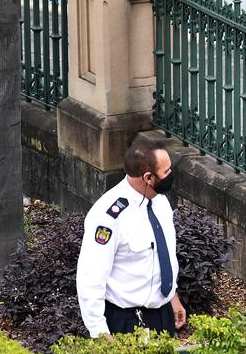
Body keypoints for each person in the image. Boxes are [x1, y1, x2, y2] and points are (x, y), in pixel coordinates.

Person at [76, 138, 186, 338]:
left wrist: (173, 297)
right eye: (166, 171)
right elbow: (91, 278)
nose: (171, 175)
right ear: (148, 178)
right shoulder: (108, 217)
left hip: (162, 317)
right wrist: (100, 333)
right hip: (127, 322)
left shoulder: (160, 202)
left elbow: (164, 256)